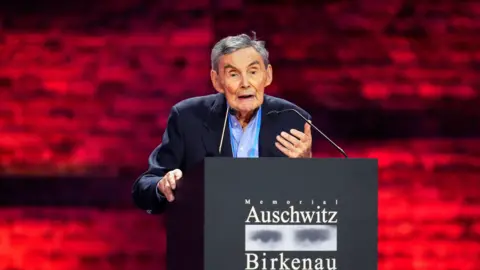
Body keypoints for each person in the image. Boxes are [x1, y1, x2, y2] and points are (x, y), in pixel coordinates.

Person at [132, 32, 313, 214]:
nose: (245, 83)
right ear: (217, 81)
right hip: (207, 235)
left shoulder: (293, 119)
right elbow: (144, 186)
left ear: (268, 75)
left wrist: (306, 168)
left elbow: (309, 198)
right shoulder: (188, 117)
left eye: (253, 72)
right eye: (233, 74)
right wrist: (163, 185)